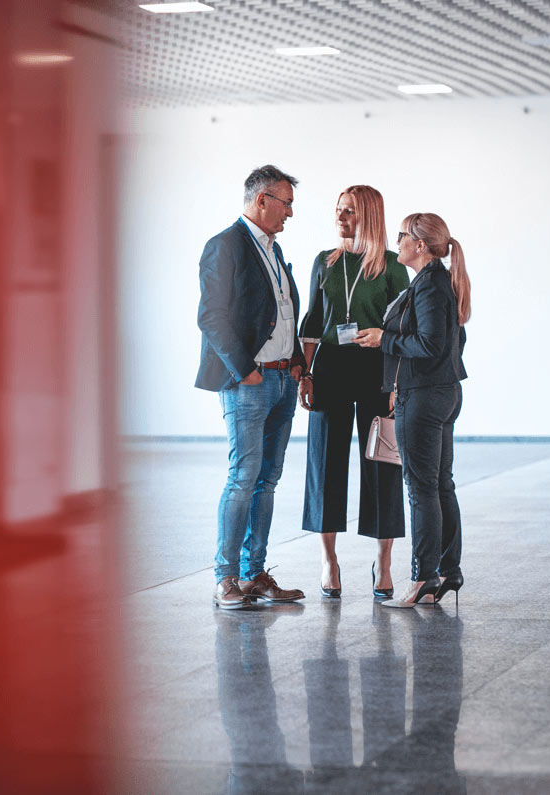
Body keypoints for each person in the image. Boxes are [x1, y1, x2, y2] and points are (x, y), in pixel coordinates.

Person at [196, 165, 308, 610]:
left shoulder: (274, 250)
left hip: (281, 378)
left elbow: (282, 313)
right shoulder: (225, 245)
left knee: (267, 480)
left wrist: (297, 363)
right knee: (243, 479)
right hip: (250, 381)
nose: (290, 214)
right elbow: (211, 316)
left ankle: (254, 573)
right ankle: (226, 578)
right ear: (262, 200)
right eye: (286, 203)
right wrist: (245, 371)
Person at [354, 212, 470, 608]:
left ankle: (423, 578)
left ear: (420, 245)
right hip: (440, 393)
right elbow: (455, 339)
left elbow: (431, 344)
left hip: (422, 397)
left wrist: (384, 339)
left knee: (422, 489)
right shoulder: (435, 282)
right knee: (440, 485)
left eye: (402, 235)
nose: (397, 240)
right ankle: (446, 571)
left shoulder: (430, 285)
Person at [297, 185, 408, 599]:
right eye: (338, 210)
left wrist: (398, 382)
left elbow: (403, 328)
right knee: (325, 464)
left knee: (382, 462)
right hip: (330, 367)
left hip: (377, 367)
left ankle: (384, 561)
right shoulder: (324, 263)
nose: (340, 218)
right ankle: (329, 560)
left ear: (370, 217)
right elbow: (311, 321)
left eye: (350, 212)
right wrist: (305, 374)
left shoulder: (394, 267)